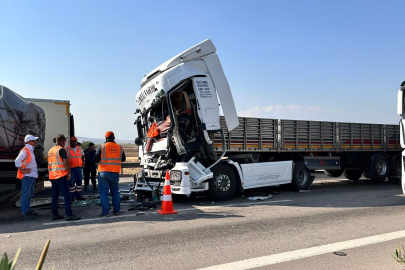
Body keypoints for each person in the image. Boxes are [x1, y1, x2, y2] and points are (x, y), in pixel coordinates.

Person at [48, 134, 81, 221]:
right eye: (65, 141)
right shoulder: (61, 150)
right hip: (60, 175)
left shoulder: (51, 150)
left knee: (55, 196)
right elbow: (66, 163)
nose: (65, 142)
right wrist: (69, 173)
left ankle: (54, 214)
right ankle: (69, 215)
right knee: (67, 195)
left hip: (52, 176)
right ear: (62, 141)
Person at [94, 131, 126, 217]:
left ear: (106, 138)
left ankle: (105, 212)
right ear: (114, 138)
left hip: (103, 173)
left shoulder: (102, 147)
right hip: (115, 172)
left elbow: (95, 159)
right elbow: (123, 159)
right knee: (115, 192)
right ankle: (116, 211)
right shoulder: (120, 147)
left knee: (104, 193)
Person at [15, 134, 39, 220]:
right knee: (26, 194)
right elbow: (17, 161)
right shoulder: (25, 150)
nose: (35, 142)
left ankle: (27, 210)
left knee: (29, 194)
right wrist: (23, 171)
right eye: (33, 140)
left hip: (30, 176)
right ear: (28, 141)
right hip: (27, 176)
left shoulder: (29, 150)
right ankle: (25, 212)